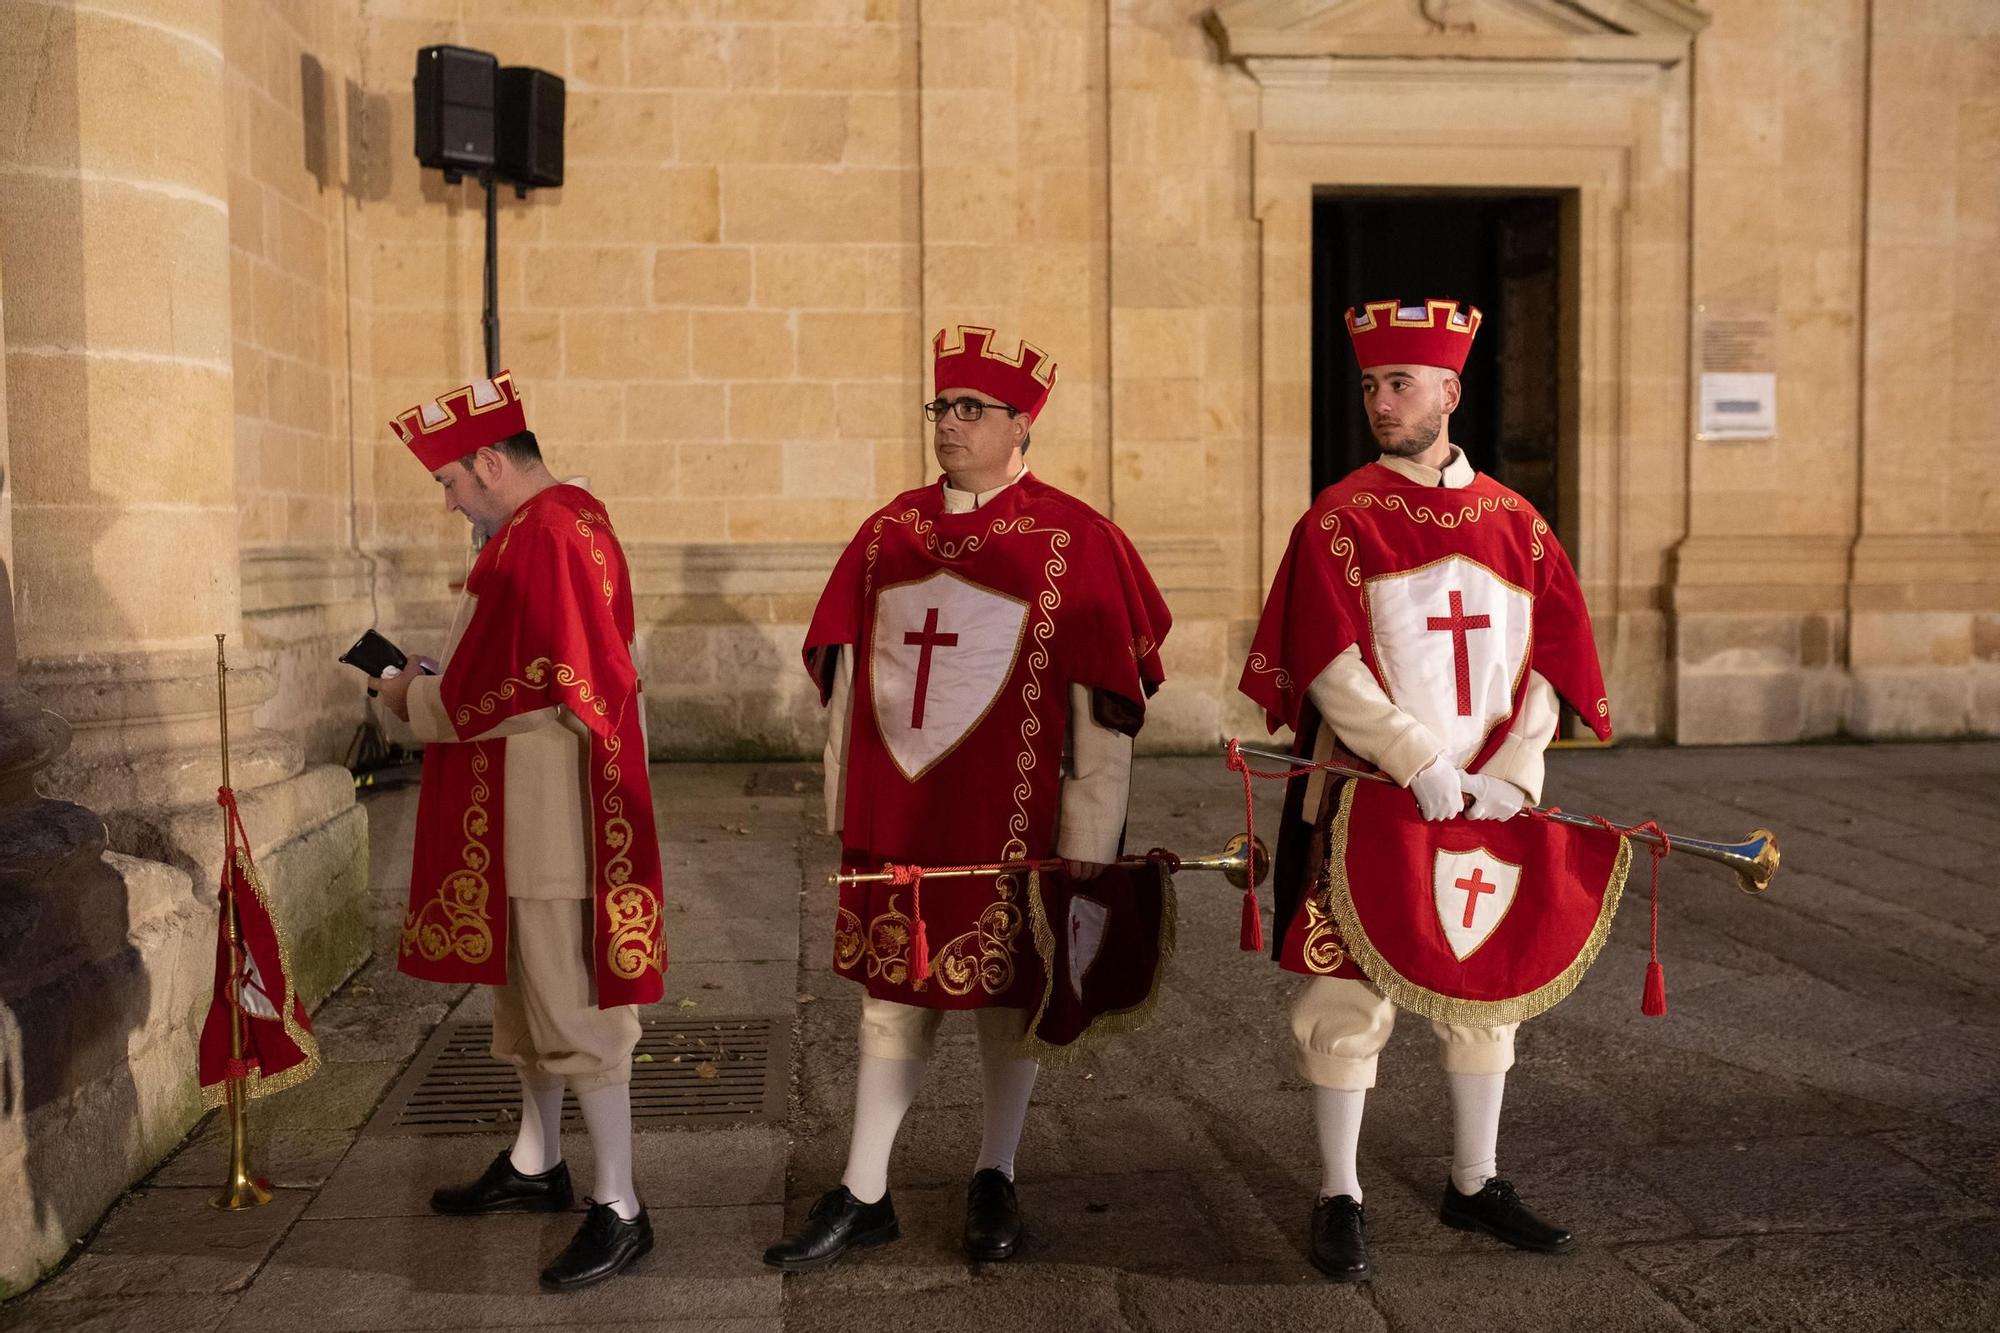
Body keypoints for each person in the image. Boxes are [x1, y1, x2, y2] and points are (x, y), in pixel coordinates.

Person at [766, 325, 1171, 1272]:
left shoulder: (1073, 538)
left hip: (1014, 816)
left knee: (1005, 998)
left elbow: (1101, 702)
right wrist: (845, 806)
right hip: (902, 811)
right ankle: (864, 1190)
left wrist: (1092, 831)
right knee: (888, 1000)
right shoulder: (888, 533)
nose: (947, 424)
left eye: (969, 410)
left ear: (1021, 425)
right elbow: (850, 667)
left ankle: (996, 1171)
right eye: (941, 407)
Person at [1239, 299, 1614, 1282]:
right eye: (1368, 384)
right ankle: (1338, 1191)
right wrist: (1421, 761)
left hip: (1486, 803)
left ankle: (1473, 1179)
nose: (1378, 401)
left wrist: (1512, 771)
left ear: (1450, 391)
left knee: (1483, 987)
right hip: (1368, 798)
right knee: (1342, 993)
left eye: (1397, 383)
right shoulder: (1340, 517)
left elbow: (1549, 663)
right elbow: (1324, 662)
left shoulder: (1518, 526)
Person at [374, 371, 667, 1291]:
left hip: (555, 822)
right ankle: (538, 1163)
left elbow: (499, 691)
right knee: (526, 1000)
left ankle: (620, 1205)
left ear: (492, 462)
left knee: (577, 1007)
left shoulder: (542, 540)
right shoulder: (548, 531)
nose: (451, 500)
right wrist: (435, 674)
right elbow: (511, 665)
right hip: (520, 810)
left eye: (453, 483)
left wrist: (402, 692)